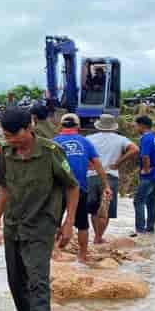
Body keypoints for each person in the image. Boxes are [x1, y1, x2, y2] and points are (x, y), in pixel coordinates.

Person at [0, 108, 79, 311]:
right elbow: (4, 188)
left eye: (14, 135)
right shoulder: (5, 154)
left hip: (41, 227)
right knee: (16, 281)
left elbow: (72, 186)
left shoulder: (51, 152)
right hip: (14, 225)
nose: (12, 141)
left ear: (29, 127)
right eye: (6, 136)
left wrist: (69, 222)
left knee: (38, 284)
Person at [54, 113, 110, 263]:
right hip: (80, 189)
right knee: (82, 224)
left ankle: (55, 252)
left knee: (54, 221)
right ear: (78, 127)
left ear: (61, 126)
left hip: (58, 190)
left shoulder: (53, 142)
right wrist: (106, 185)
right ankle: (82, 255)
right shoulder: (85, 142)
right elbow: (98, 165)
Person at [87, 114, 139, 244]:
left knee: (94, 209)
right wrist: (118, 162)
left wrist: (89, 164)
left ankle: (96, 235)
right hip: (111, 176)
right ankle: (98, 237)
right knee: (106, 208)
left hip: (92, 175)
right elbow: (135, 149)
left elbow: (83, 153)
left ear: (99, 126)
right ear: (113, 126)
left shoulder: (89, 138)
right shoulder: (121, 139)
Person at [134, 115, 155, 235]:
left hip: (148, 176)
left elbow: (145, 156)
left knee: (138, 201)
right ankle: (150, 228)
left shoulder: (145, 139)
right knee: (151, 200)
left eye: (136, 125)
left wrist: (147, 169)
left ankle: (140, 230)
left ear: (142, 126)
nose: (135, 128)